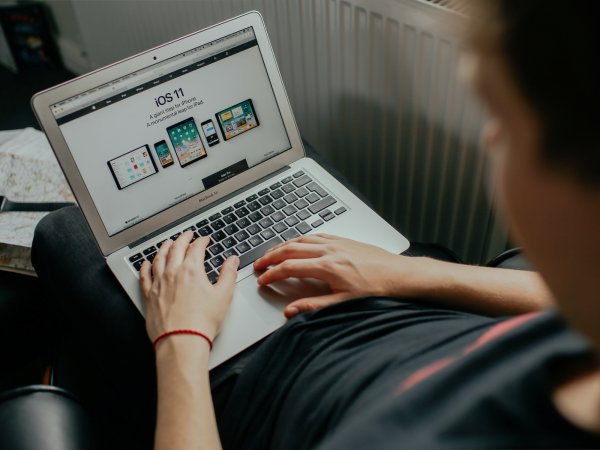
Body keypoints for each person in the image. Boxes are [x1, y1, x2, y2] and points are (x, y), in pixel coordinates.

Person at [31, 0, 600, 448]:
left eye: (500, 116)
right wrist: (411, 275)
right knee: (280, 158)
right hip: (396, 298)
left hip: (254, 378)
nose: (491, 138)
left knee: (63, 232)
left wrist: (179, 340)